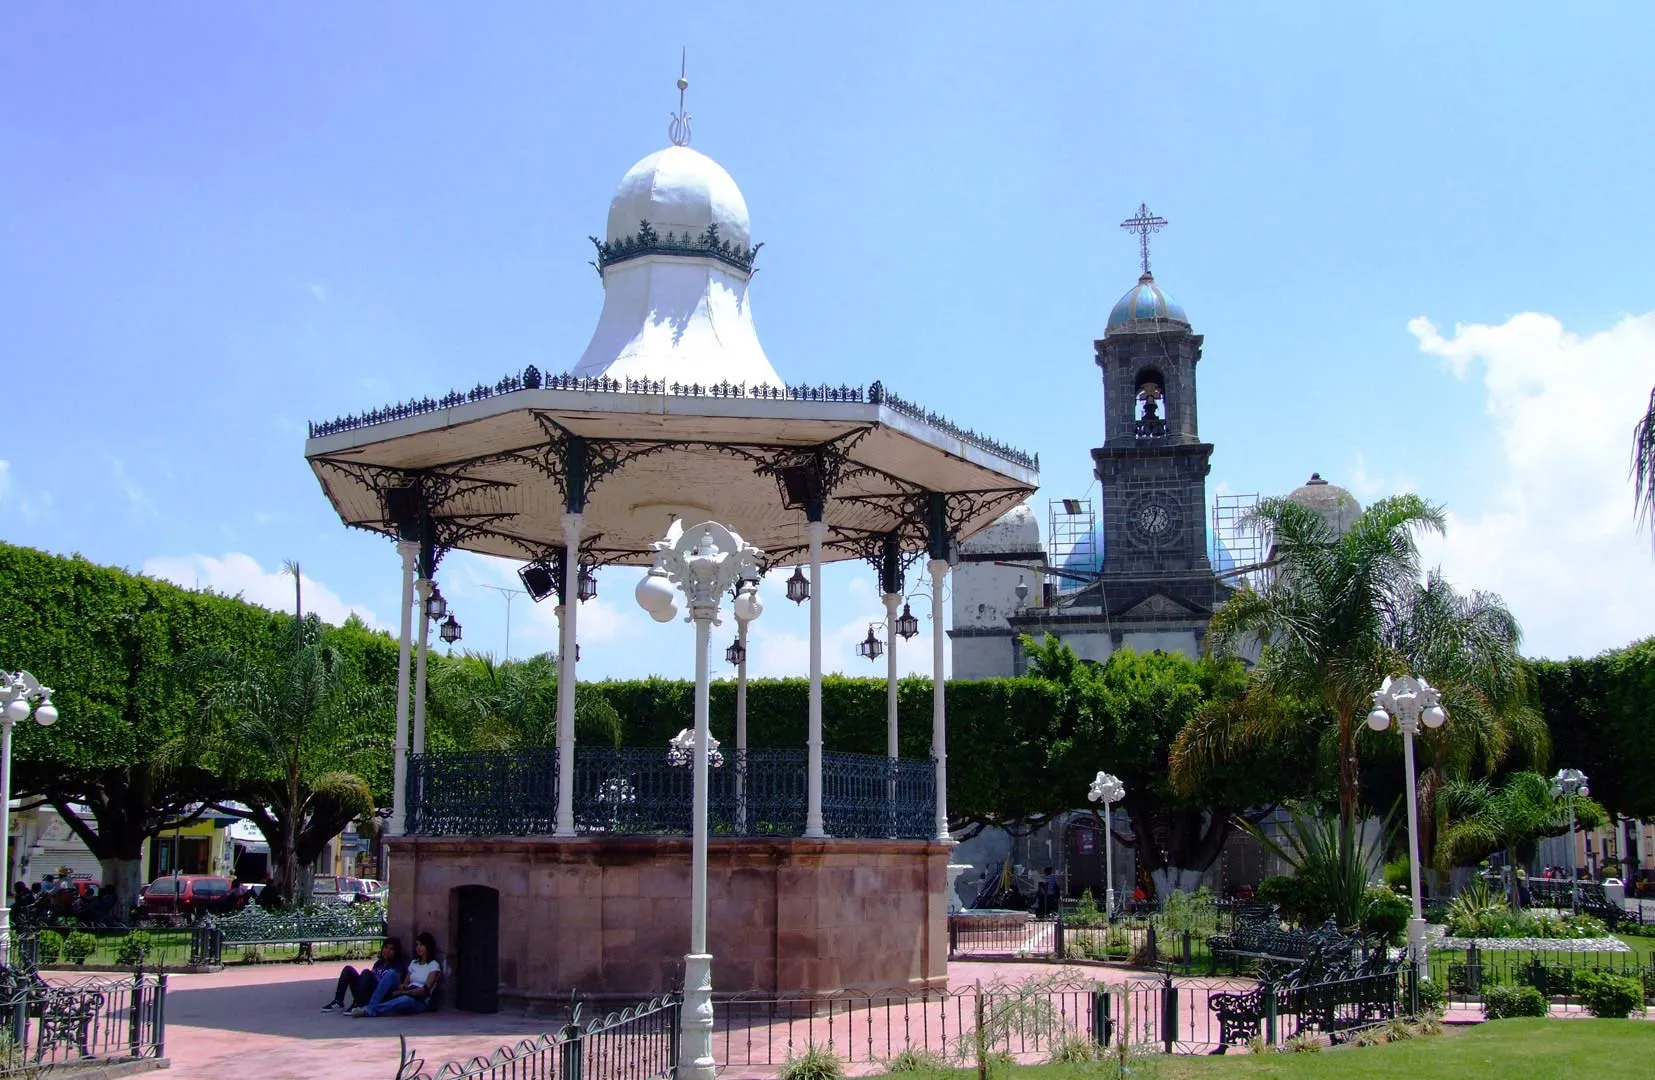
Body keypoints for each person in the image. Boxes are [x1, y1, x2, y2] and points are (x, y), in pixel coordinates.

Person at [352, 932, 440, 1017]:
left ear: (428, 946)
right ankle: (371, 1006)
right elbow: (405, 984)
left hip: (418, 1000)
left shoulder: (433, 965)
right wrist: (399, 989)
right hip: (406, 991)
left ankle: (369, 1010)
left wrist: (406, 992)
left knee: (405, 1000)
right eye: (417, 945)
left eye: (422, 945)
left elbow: (425, 990)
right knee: (391, 973)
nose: (418, 948)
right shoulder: (414, 963)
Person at [323, 938, 405, 1012]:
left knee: (366, 972)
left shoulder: (397, 966)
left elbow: (396, 984)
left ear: (396, 952)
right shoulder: (378, 963)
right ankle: (338, 1001)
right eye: (385, 947)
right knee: (348, 969)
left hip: (379, 995)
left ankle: (358, 1004)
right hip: (367, 992)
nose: (387, 951)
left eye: (391, 949)